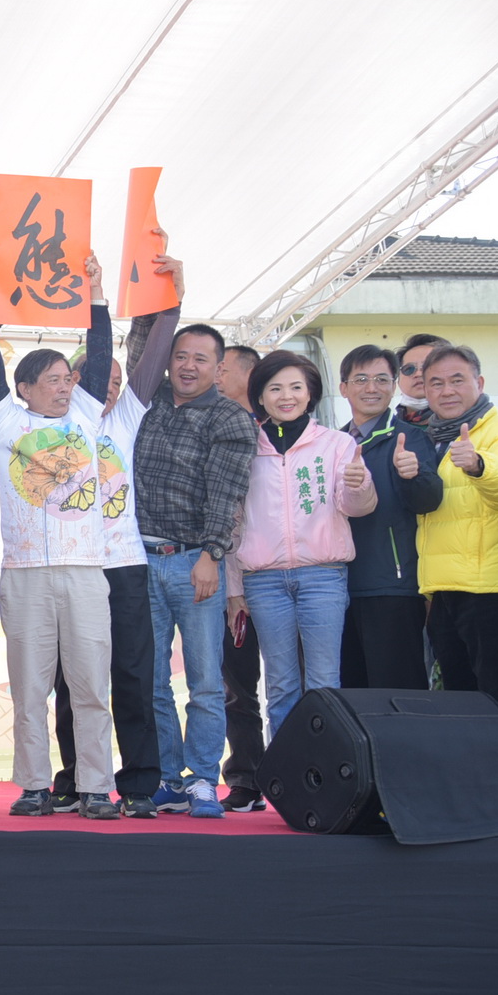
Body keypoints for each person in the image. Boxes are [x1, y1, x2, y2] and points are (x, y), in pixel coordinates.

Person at [0, 253, 121, 819]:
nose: (64, 388)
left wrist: (97, 294)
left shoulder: (84, 416)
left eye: (67, 379)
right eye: (52, 380)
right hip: (25, 575)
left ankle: (96, 787)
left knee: (90, 687)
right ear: (25, 388)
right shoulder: (6, 422)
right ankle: (33, 785)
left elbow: (100, 359)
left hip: (85, 572)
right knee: (29, 688)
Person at [49, 233, 182, 818]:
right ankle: (78, 777)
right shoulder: (50, 428)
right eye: (93, 377)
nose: (107, 384)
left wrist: (173, 303)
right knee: (73, 680)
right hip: (70, 564)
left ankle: (140, 783)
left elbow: (152, 363)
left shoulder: (126, 420)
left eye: (111, 379)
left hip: (124, 564)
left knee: (132, 672)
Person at [132, 318, 257, 818]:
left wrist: (211, 555)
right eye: (181, 355)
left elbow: (228, 493)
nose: (188, 365)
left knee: (205, 680)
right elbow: (141, 347)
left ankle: (204, 778)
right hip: (140, 559)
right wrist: (163, 302)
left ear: (219, 367)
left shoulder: (229, 418)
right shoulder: (148, 401)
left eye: (201, 359)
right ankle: (169, 777)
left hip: (194, 561)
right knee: (152, 679)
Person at [226, 350, 376, 745]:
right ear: (260, 397)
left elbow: (356, 507)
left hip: (323, 575)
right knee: (281, 684)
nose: (286, 396)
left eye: (296, 387)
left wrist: (360, 484)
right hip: (263, 580)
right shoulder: (244, 447)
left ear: (311, 394)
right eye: (275, 388)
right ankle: (290, 772)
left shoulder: (337, 444)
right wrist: (234, 588)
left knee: (325, 681)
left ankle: (327, 771)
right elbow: (233, 522)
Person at [417, 344, 498, 733]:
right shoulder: (430, 438)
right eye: (436, 383)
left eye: (457, 380)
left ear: (479, 383)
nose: (447, 391)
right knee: (461, 702)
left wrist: (481, 466)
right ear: (425, 391)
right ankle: (475, 791)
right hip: (443, 588)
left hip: (491, 589)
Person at [336, 345, 444, 691]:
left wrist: (414, 474)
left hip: (392, 585)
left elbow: (429, 502)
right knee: (350, 692)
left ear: (394, 385)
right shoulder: (332, 443)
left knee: (398, 690)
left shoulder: (410, 438)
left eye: (382, 379)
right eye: (362, 379)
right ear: (343, 388)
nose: (372, 388)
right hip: (335, 587)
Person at [214, 342, 267, 810]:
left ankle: (300, 773)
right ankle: (247, 778)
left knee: (296, 683)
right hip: (233, 576)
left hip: (289, 578)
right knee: (236, 684)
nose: (213, 374)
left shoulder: (280, 433)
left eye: (223, 368)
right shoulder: (213, 424)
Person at [396, 332, 448, 426]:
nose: (418, 374)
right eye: (409, 369)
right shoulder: (383, 424)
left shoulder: (471, 423)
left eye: (427, 367)